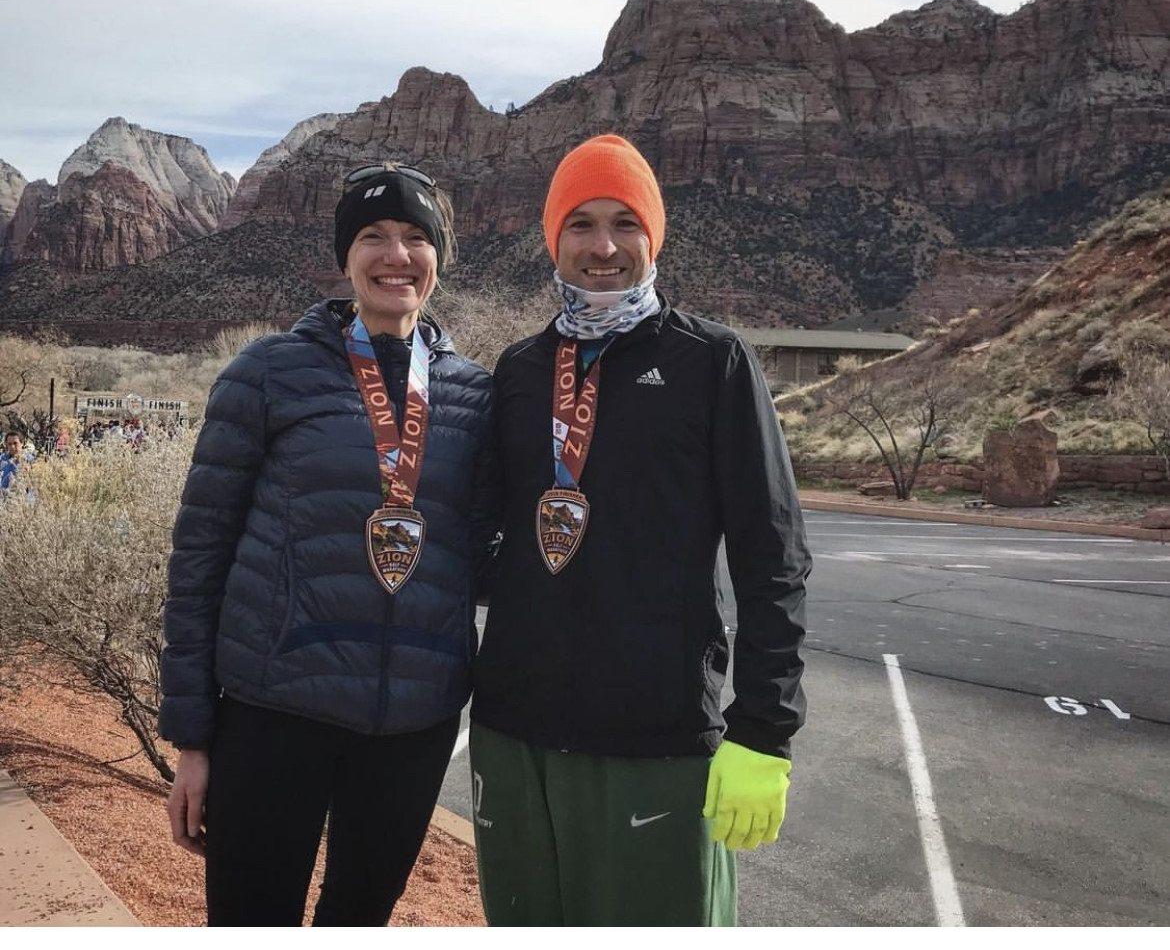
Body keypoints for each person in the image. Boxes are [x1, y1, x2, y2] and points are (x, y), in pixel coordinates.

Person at [470, 134, 811, 926]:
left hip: (652, 739)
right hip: (513, 730)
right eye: (581, 224)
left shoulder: (713, 363)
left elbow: (774, 558)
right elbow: (488, 539)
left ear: (653, 236)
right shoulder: (520, 370)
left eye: (625, 223)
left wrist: (763, 728)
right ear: (553, 237)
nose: (603, 247)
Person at [160, 162, 498, 926]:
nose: (395, 256)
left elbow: (481, 555)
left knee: (360, 917)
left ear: (439, 256)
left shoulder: (476, 395)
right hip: (276, 711)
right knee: (251, 918)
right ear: (345, 258)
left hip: (412, 724)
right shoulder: (270, 373)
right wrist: (192, 739)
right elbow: (200, 556)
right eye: (373, 237)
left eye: (416, 238)